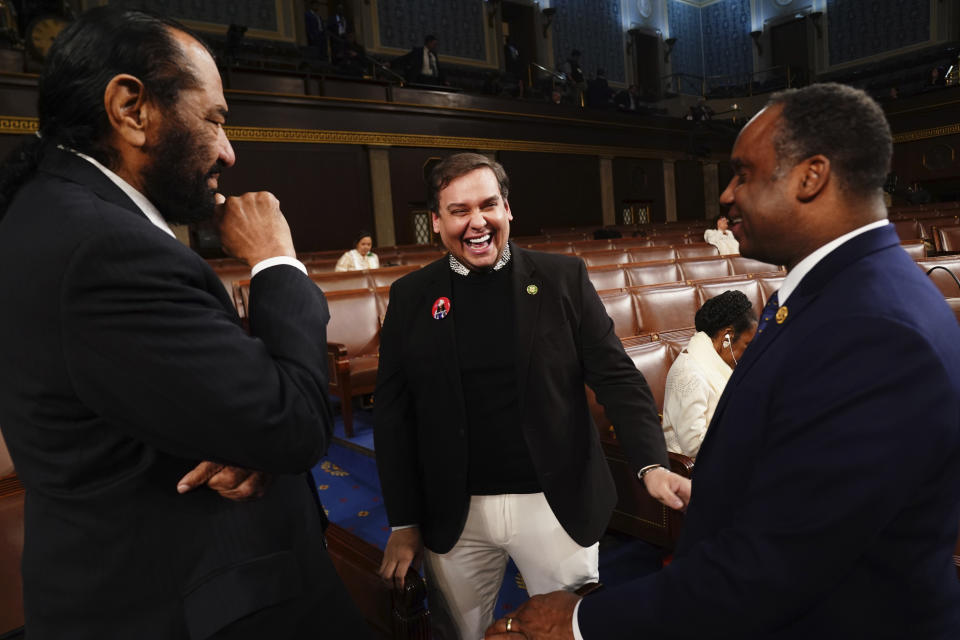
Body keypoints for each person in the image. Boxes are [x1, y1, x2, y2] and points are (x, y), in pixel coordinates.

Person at [486, 83, 960, 639]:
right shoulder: (837, 291)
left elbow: (779, 567)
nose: (727, 196)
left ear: (812, 176)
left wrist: (579, 620)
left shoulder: (872, 327)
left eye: (743, 173)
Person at [0, 8, 370, 638]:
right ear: (131, 109)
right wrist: (275, 260)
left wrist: (240, 429)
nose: (227, 150)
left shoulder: (52, 213)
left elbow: (150, 393)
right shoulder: (105, 248)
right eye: (215, 119)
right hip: (190, 600)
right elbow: (296, 425)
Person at [374, 153, 690, 640]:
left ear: (507, 209)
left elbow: (617, 379)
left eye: (488, 205)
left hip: (556, 503)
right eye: (459, 211)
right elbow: (394, 417)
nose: (477, 222)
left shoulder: (563, 278)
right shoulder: (410, 296)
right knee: (460, 632)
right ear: (435, 222)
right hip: (454, 511)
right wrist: (403, 520)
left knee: (567, 631)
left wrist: (650, 463)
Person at [661, 291, 756, 458]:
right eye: (747, 344)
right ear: (727, 336)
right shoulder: (689, 373)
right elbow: (694, 445)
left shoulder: (722, 364)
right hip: (698, 470)